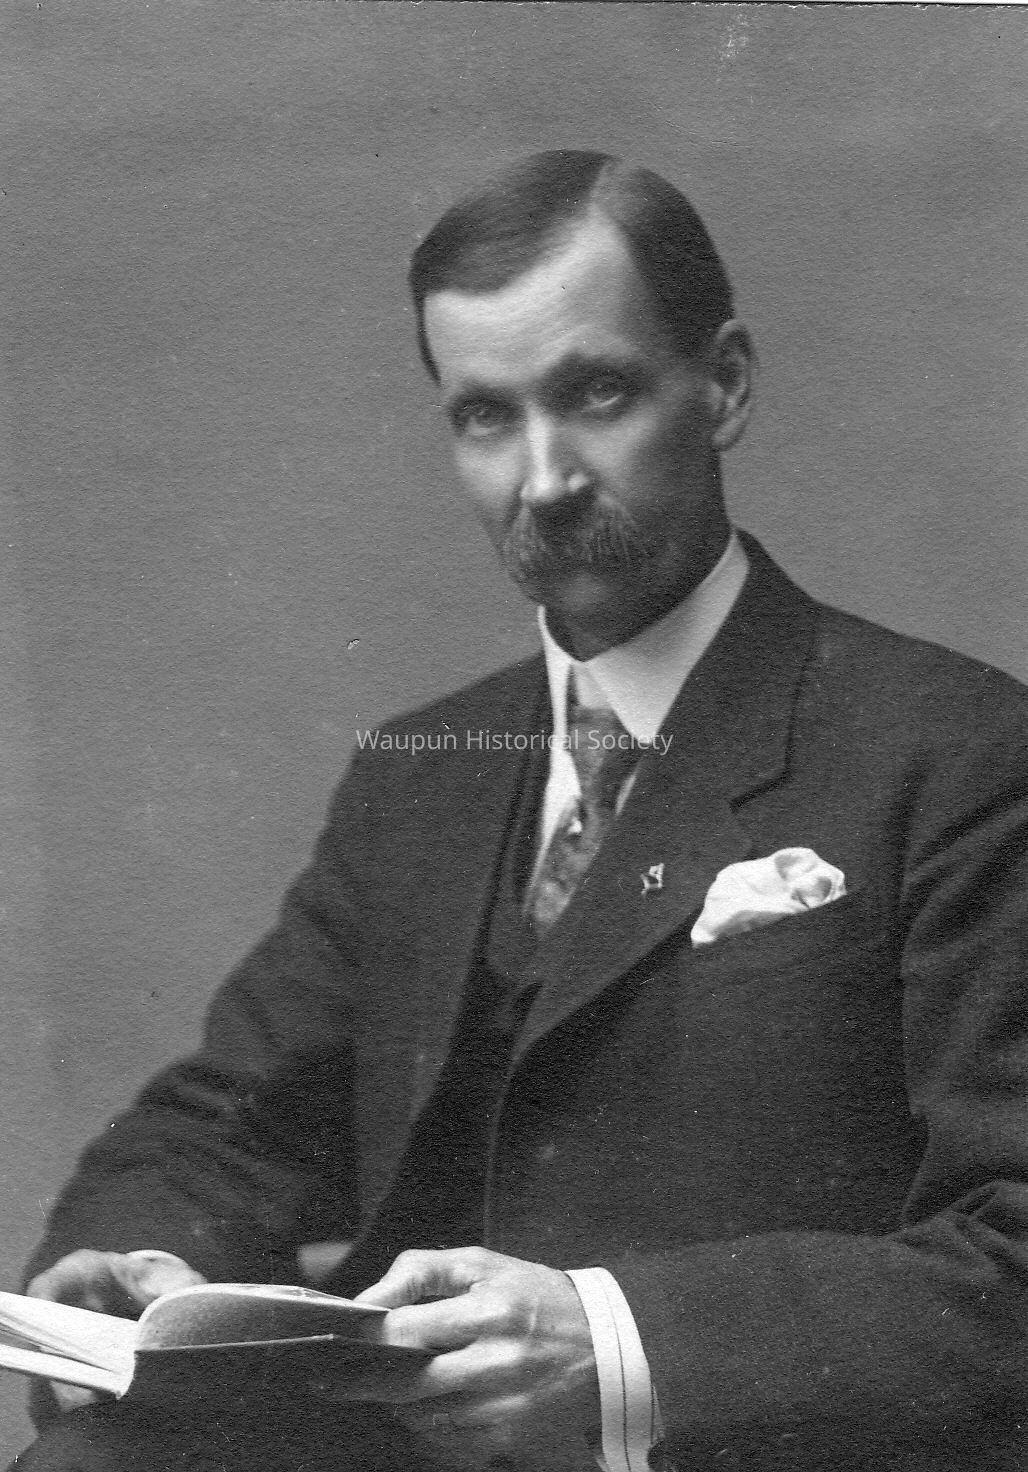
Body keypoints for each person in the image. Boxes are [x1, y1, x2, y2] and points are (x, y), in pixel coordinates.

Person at [11, 150, 1028, 1472]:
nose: (544, 478)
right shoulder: (424, 774)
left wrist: (613, 1348)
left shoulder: (955, 751)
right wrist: (140, 1261)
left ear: (723, 384)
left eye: (595, 394)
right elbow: (228, 1125)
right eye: (487, 416)